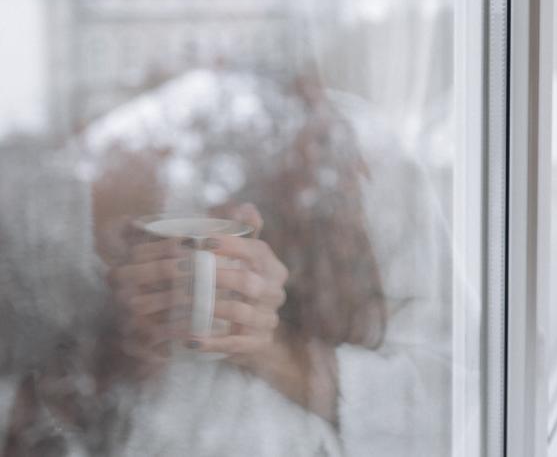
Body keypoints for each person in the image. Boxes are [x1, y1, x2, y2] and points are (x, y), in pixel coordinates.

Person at [0, 67, 453, 456]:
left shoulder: (361, 161)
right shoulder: (94, 170)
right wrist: (122, 346)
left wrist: (271, 352)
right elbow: (28, 421)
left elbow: (455, 408)